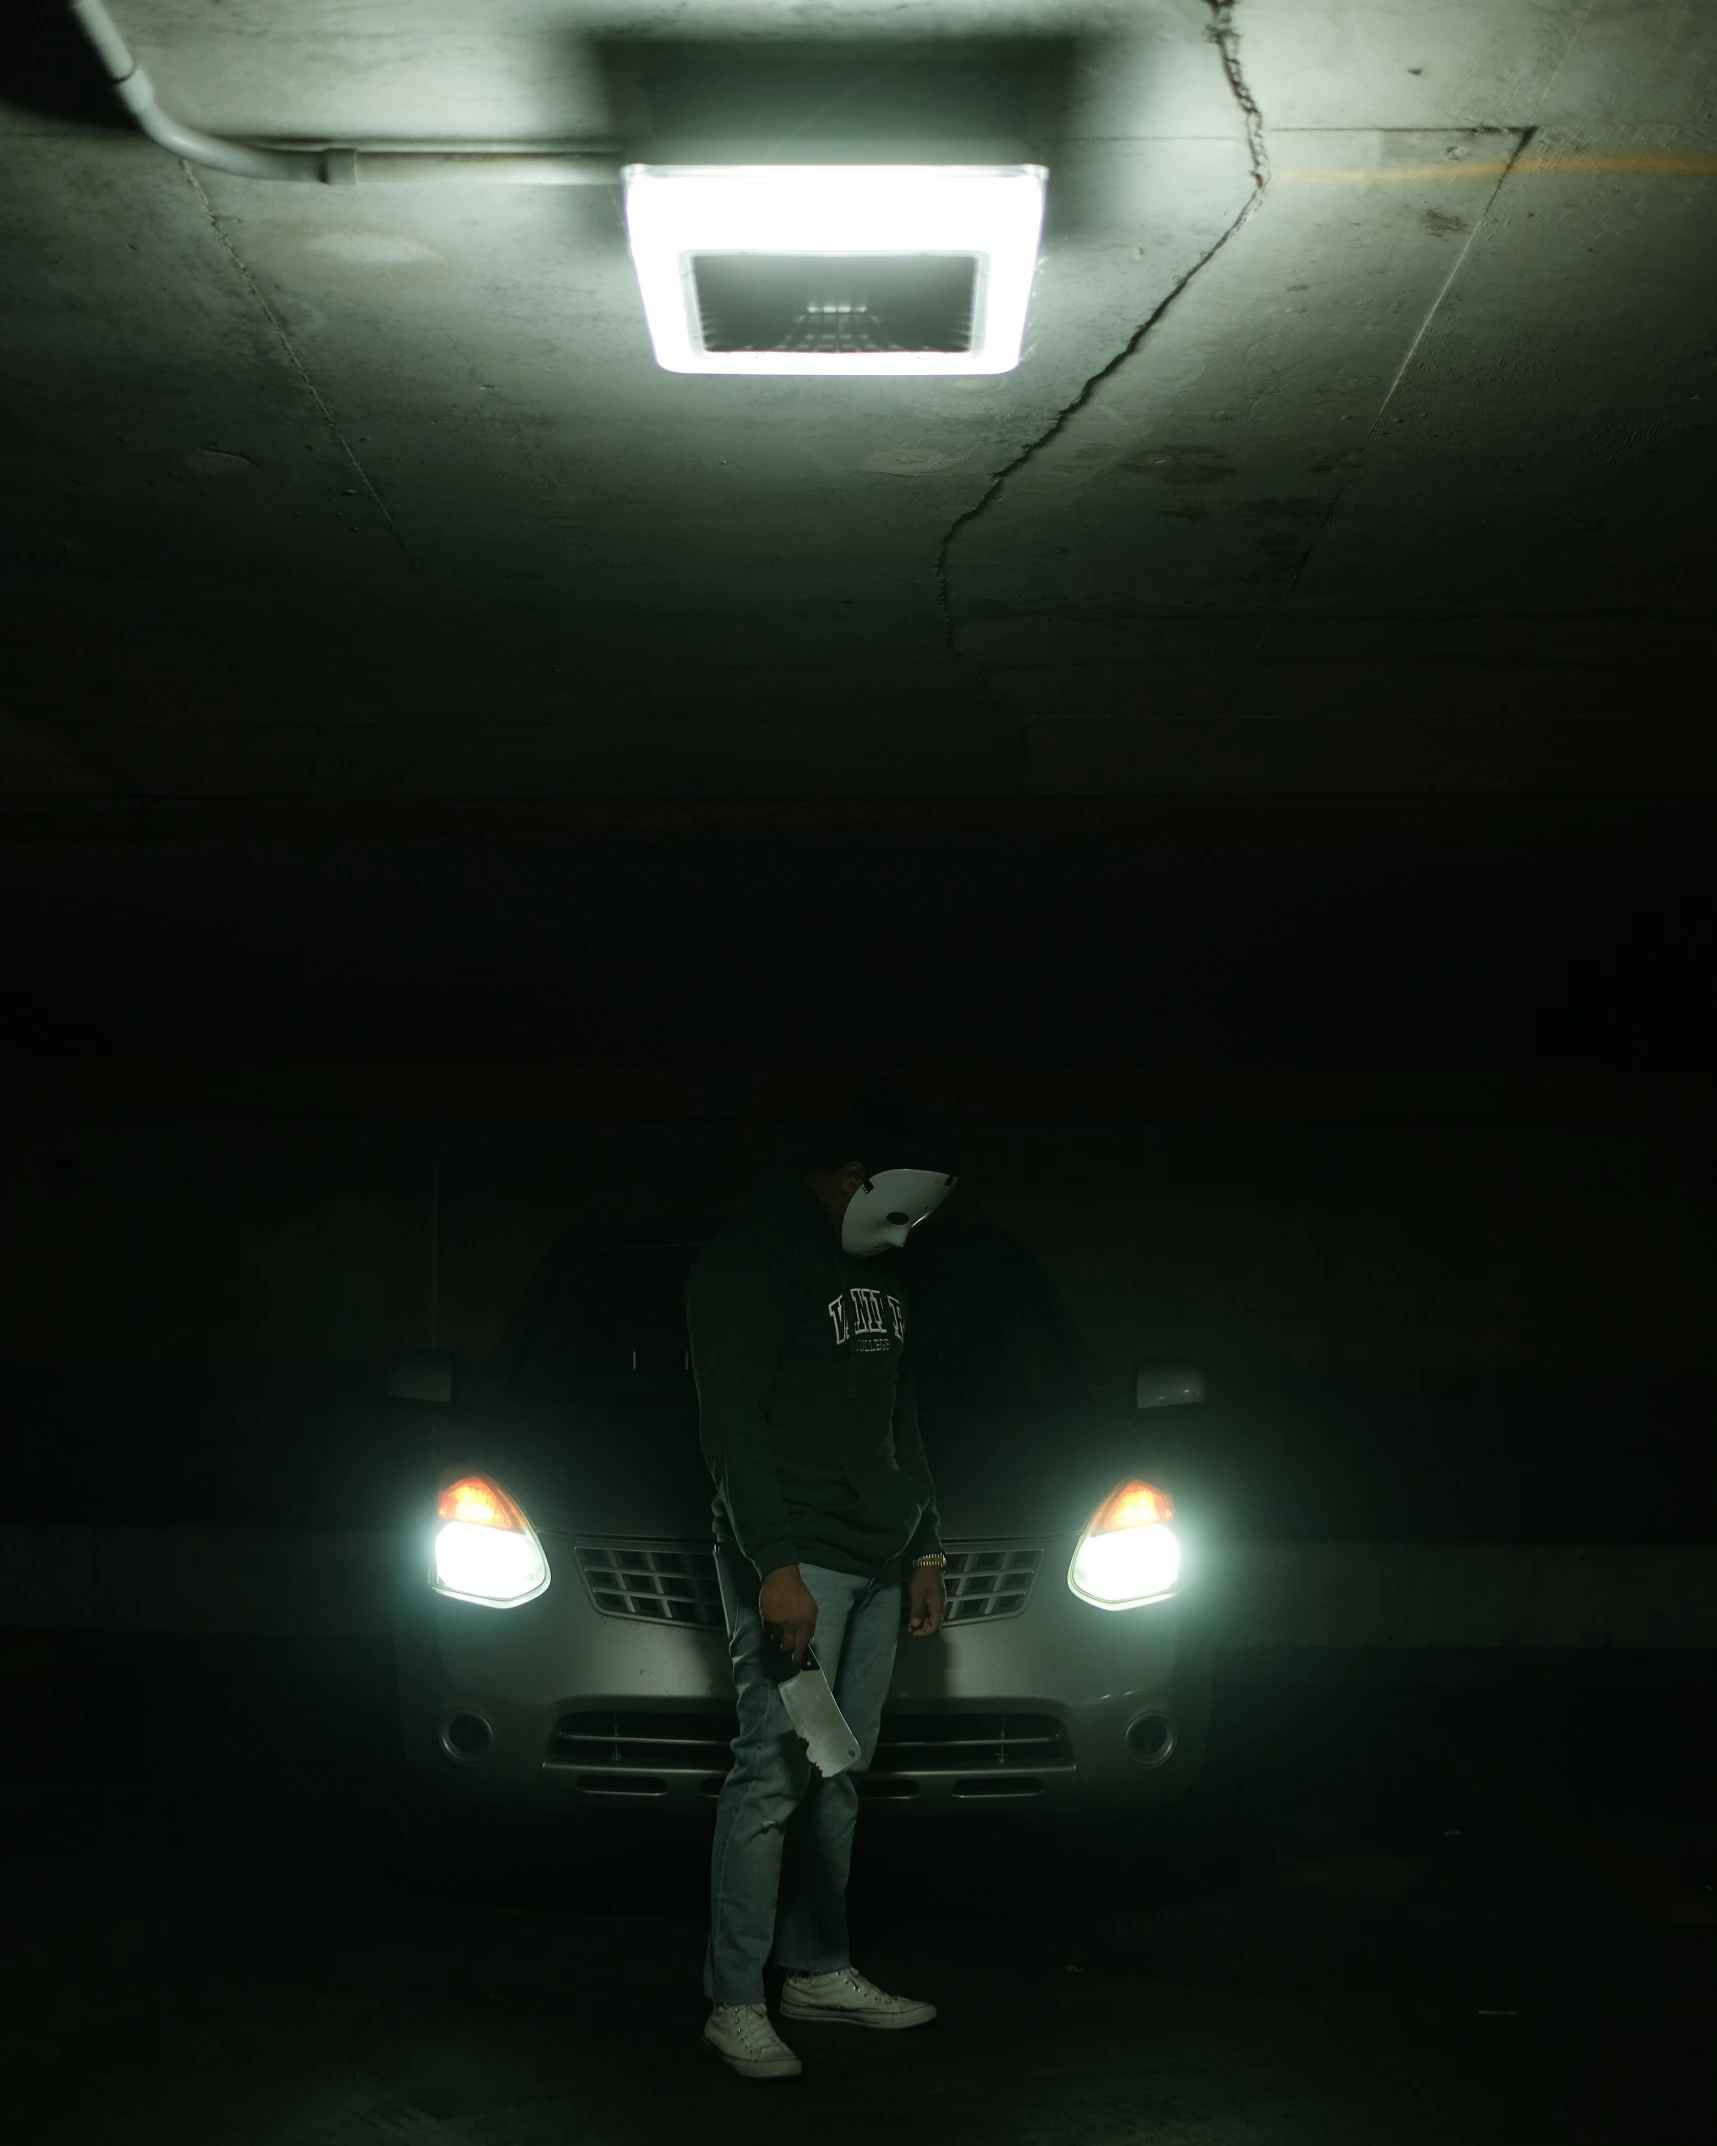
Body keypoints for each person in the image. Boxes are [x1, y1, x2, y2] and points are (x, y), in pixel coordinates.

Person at [686, 1081, 957, 2080]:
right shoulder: (745, 1264)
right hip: (799, 1558)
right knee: (772, 1769)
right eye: (902, 1207)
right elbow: (732, 1432)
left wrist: (925, 1542)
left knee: (841, 1771)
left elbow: (901, 1413)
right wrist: (778, 1567)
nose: (910, 1231)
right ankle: (732, 2000)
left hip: (881, 1556)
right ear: (852, 1177)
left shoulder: (874, 1271)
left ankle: (818, 1967)